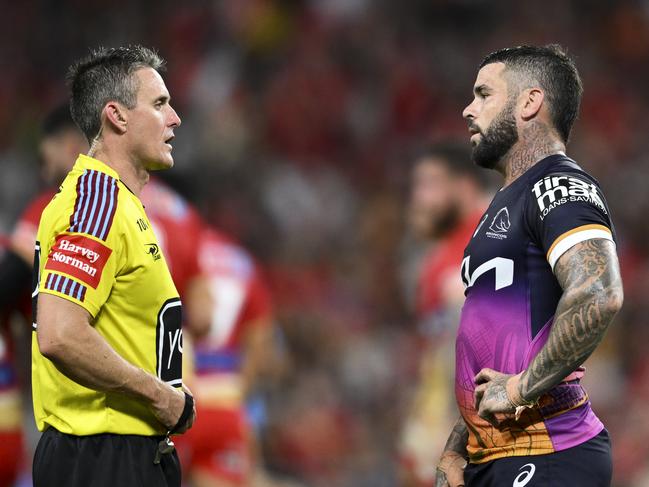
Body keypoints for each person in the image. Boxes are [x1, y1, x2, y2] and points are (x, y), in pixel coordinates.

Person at [435, 45, 624, 487]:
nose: (468, 109)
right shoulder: (504, 204)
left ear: (529, 102)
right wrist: (458, 446)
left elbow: (600, 294)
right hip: (494, 459)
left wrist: (519, 388)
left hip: (550, 452)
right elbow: (496, 352)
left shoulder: (557, 184)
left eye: (484, 94)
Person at [31, 45, 195, 487]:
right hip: (101, 456)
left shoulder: (120, 205)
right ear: (117, 117)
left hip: (125, 452)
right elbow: (60, 334)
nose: (175, 118)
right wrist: (159, 395)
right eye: (160, 104)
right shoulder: (97, 203)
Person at [399, 143, 490, 486]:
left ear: (464, 186)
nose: (418, 198)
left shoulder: (491, 241)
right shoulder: (441, 254)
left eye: (430, 185)